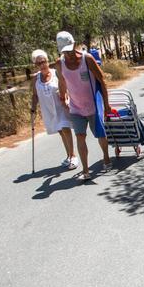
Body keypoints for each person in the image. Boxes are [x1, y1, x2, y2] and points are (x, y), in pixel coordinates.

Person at [55, 31, 112, 181]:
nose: (69, 54)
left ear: (74, 44)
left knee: (100, 134)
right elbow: (62, 82)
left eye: (70, 49)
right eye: (65, 52)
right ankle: (86, 171)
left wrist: (106, 105)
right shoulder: (59, 63)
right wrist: (63, 98)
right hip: (76, 107)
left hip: (93, 105)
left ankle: (106, 158)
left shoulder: (87, 59)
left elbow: (102, 80)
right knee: (80, 136)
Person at [29, 49, 78, 170]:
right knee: (61, 131)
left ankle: (73, 156)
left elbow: (66, 86)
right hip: (48, 109)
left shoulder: (56, 72)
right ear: (36, 65)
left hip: (60, 105)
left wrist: (66, 96)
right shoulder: (35, 79)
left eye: (44, 61)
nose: (42, 65)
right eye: (39, 63)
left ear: (47, 61)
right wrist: (33, 108)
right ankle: (68, 155)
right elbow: (35, 95)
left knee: (65, 128)